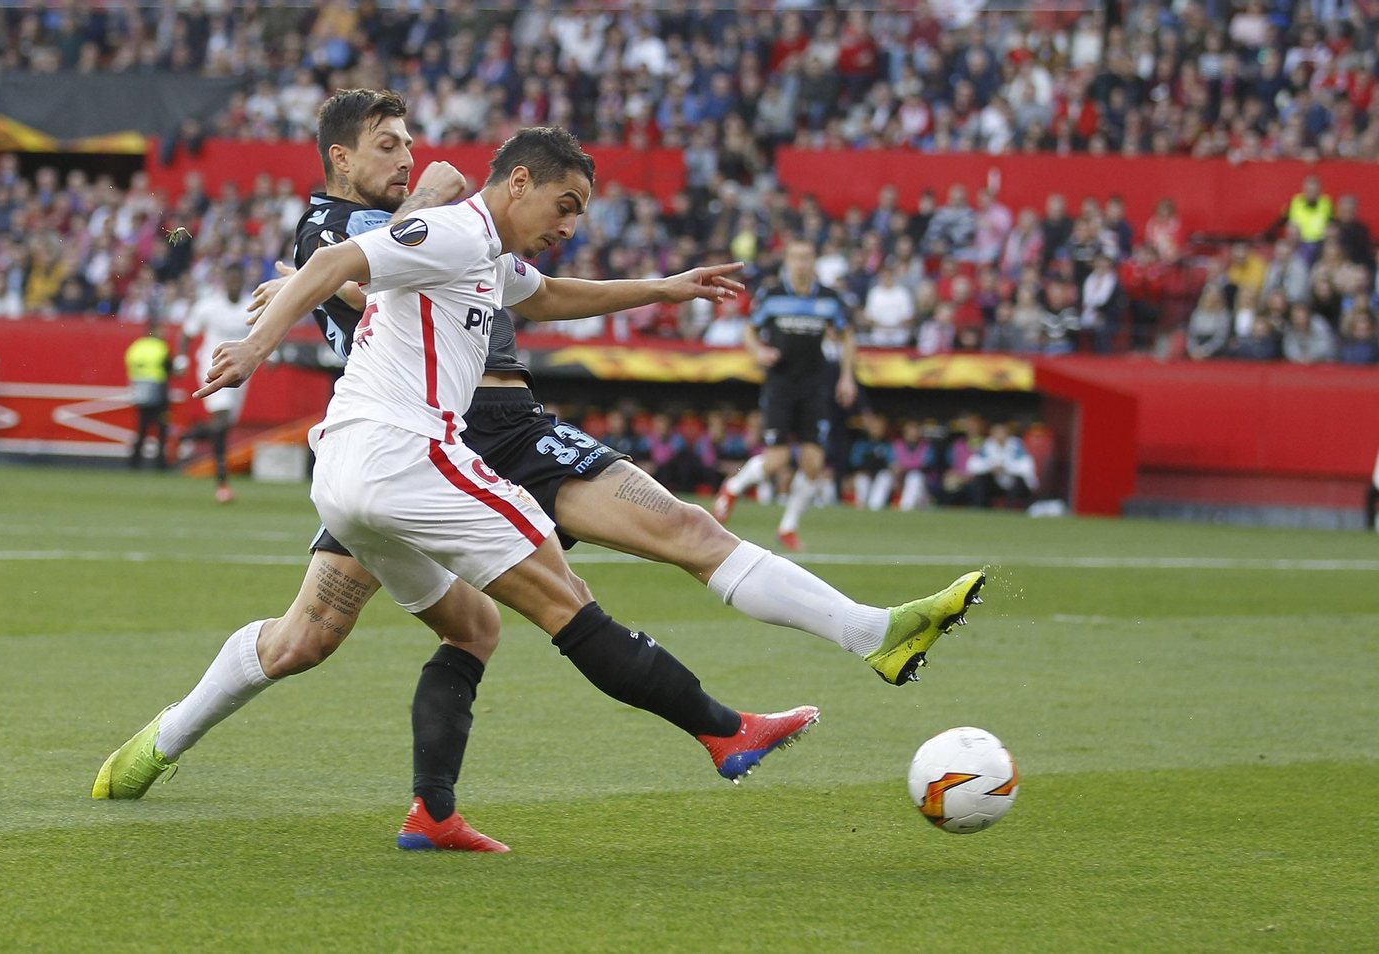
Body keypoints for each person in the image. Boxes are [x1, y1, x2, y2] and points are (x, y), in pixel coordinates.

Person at [93, 109, 984, 850]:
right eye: (387, 145)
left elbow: (542, 291)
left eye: (410, 144)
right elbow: (349, 268)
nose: (407, 157)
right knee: (510, 608)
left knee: (473, 620)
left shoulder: (474, 238)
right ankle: (724, 730)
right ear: (341, 160)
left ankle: (402, 805)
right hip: (425, 446)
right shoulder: (380, 222)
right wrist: (259, 340)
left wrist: (665, 288)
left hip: (416, 449)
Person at [713, 239, 858, 551]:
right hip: (780, 385)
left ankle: (788, 527)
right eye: (796, 258)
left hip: (815, 386)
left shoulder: (829, 298)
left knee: (814, 462)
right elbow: (749, 330)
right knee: (777, 459)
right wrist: (758, 351)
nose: (801, 263)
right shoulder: (773, 295)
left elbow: (846, 335)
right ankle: (734, 486)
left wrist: (847, 377)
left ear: (814, 261)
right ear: (788, 262)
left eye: (806, 257)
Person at [177, 263, 252, 502]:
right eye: (231, 279)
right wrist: (181, 358)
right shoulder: (209, 306)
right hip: (213, 366)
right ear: (224, 281)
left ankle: (188, 436)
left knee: (225, 422)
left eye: (238, 279)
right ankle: (222, 481)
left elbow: (264, 331)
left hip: (242, 369)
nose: (234, 284)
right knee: (221, 419)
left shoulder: (252, 305)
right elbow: (187, 332)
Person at [124, 314, 172, 470]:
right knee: (161, 428)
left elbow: (130, 365)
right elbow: (168, 367)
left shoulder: (136, 347)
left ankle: (134, 462)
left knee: (141, 428)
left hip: (140, 391)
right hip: (158, 390)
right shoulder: (160, 347)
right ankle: (160, 463)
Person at [964, 422, 1038, 509]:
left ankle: (1010, 508)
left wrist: (1006, 467)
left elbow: (1027, 466)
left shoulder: (1016, 445)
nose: (999, 436)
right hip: (995, 482)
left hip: (1014, 483)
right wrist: (991, 467)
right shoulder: (987, 445)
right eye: (996, 433)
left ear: (1007, 433)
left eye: (1002, 432)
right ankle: (980, 507)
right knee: (980, 479)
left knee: (1019, 480)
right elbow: (973, 465)